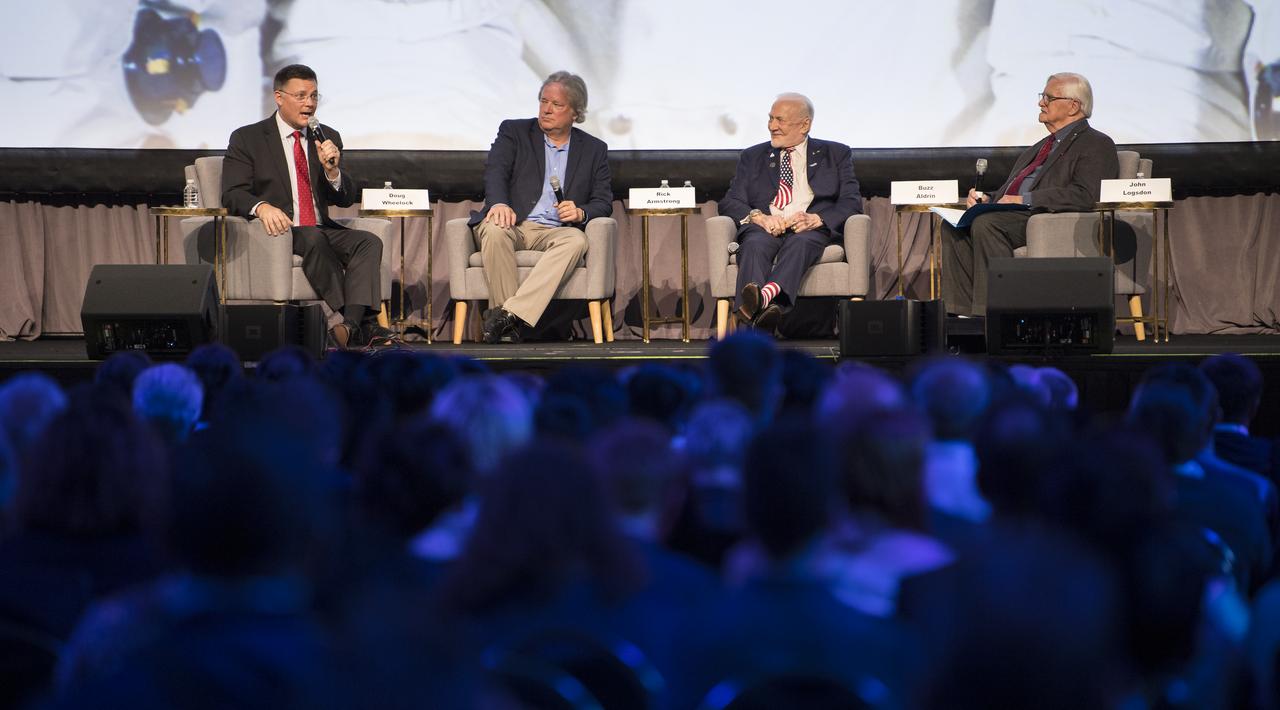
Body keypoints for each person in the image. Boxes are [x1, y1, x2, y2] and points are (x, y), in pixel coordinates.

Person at [221, 64, 388, 348]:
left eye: (314, 96)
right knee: (311, 236)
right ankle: (359, 323)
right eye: (301, 96)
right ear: (279, 97)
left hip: (320, 227)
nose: (309, 104)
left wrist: (332, 172)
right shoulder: (248, 138)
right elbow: (232, 193)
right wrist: (262, 206)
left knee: (368, 242)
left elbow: (344, 199)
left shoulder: (325, 136)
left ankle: (349, 327)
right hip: (283, 230)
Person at [942, 72, 1119, 317]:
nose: (1040, 103)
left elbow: (1085, 194)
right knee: (953, 224)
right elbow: (1013, 190)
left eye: (1048, 97)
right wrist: (988, 199)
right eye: (1042, 96)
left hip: (1047, 218)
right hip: (1015, 214)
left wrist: (1025, 200)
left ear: (1073, 106)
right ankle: (959, 315)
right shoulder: (1040, 147)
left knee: (987, 223)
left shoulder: (1096, 143)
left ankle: (994, 314)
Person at [470, 70, 614, 344]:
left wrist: (581, 212)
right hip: (515, 223)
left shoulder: (594, 149)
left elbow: (602, 201)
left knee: (576, 240)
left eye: (557, 105)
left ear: (576, 112)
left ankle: (507, 317)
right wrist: (499, 202)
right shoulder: (514, 131)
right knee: (495, 229)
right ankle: (508, 330)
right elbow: (495, 171)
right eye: (543, 101)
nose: (547, 109)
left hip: (556, 231)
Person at [717, 92, 862, 334]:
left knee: (801, 244)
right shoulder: (752, 157)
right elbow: (730, 201)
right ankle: (764, 306)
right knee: (753, 245)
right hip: (765, 227)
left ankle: (755, 315)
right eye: (771, 119)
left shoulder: (836, 154)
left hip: (809, 229)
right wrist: (758, 217)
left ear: (805, 124)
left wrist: (817, 219)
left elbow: (851, 202)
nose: (772, 126)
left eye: (780, 120)